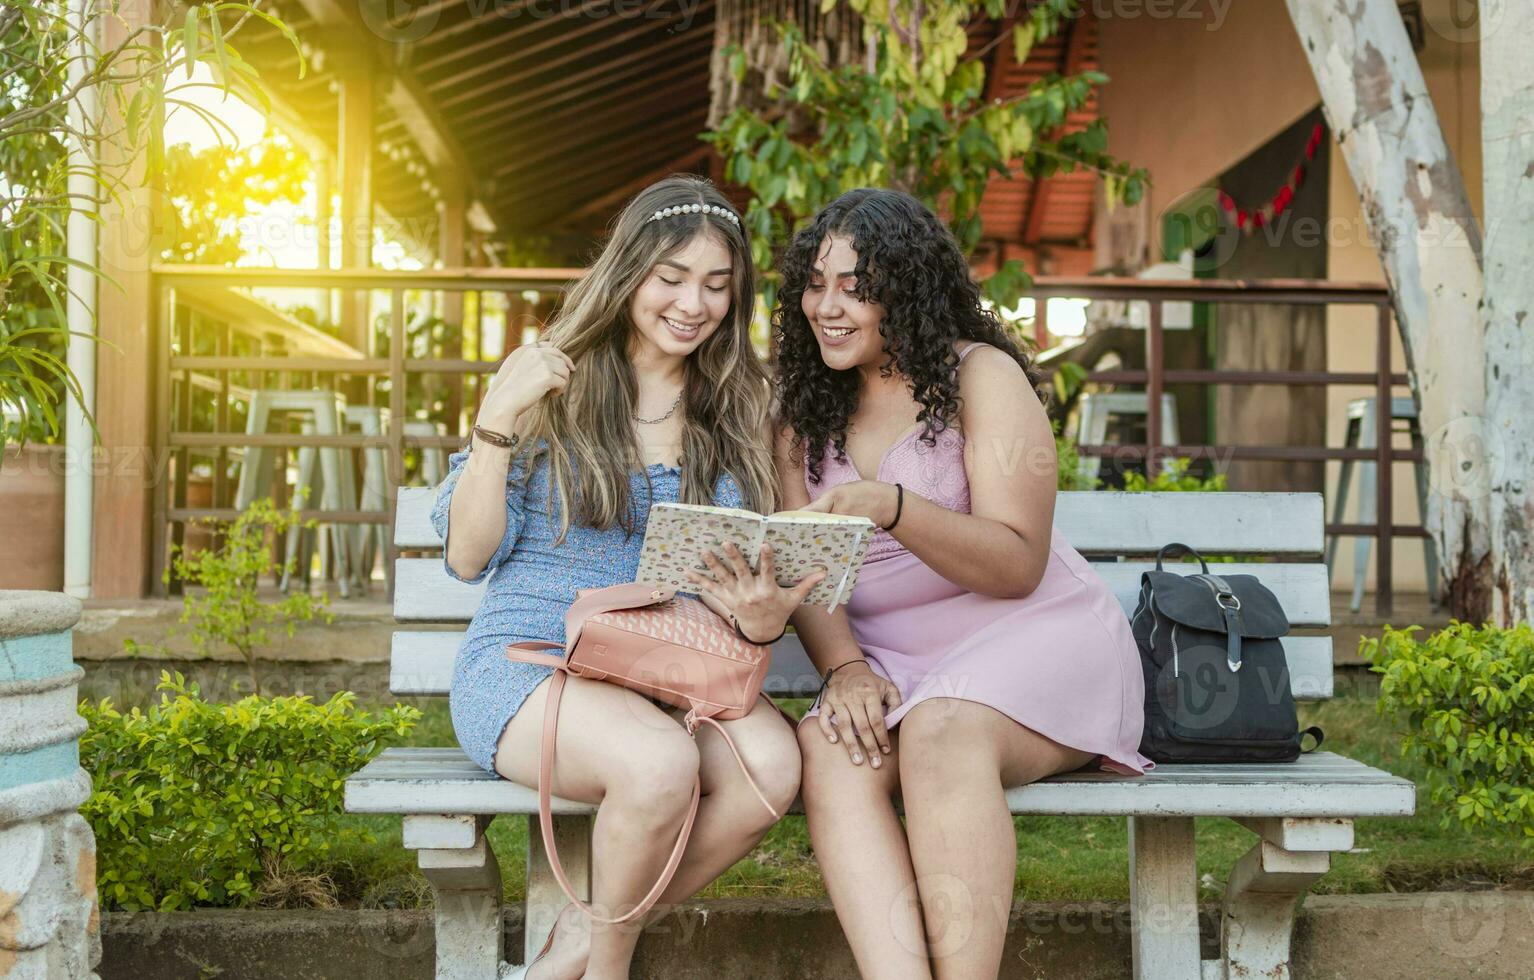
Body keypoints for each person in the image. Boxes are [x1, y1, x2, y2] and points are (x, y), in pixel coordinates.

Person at [432, 175, 821, 980]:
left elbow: (747, 591)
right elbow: (469, 556)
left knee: (774, 769)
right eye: (671, 278)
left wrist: (760, 618)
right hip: (530, 664)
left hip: (667, 666)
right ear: (629, 272)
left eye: (717, 285)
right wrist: (496, 420)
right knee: (658, 766)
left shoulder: (743, 404)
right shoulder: (553, 380)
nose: (693, 303)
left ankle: (576, 944)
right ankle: (602, 970)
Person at [773, 188, 1152, 979]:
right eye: (816, 283)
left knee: (944, 732)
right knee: (828, 745)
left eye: (856, 286)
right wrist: (844, 667)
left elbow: (1017, 564)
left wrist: (894, 507)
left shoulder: (982, 378)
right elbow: (808, 571)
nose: (828, 307)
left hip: (1034, 639)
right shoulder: (801, 409)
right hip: (896, 662)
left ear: (905, 290)